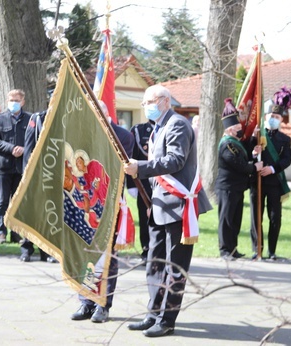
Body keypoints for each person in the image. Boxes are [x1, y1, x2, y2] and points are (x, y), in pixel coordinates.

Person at [123, 85, 212, 338]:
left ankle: (167, 319)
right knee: (155, 263)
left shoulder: (177, 124)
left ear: (163, 101)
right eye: (143, 103)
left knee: (174, 266)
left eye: (148, 102)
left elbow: (175, 161)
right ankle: (153, 314)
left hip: (178, 206)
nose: (145, 107)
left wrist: (139, 167)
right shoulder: (159, 127)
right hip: (160, 205)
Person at [71, 100, 134, 323]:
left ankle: (103, 305)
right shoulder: (82, 135)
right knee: (86, 253)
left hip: (109, 206)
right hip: (86, 205)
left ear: (104, 114)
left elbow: (117, 166)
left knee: (107, 257)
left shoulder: (123, 136)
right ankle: (86, 301)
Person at [249, 89, 291, 260]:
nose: (273, 119)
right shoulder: (257, 135)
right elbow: (247, 155)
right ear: (265, 116)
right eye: (271, 116)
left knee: (275, 218)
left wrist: (273, 169)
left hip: (275, 182)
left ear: (281, 120)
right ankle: (257, 250)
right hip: (257, 181)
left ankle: (272, 251)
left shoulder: (285, 139)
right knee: (256, 217)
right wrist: (254, 153)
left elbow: (287, 159)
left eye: (277, 117)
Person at [215, 98, 263, 261]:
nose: (240, 129)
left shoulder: (236, 142)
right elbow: (238, 164)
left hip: (236, 187)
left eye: (239, 126)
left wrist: (253, 145)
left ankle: (233, 248)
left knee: (235, 220)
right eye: (236, 127)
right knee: (226, 220)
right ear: (229, 130)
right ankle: (224, 250)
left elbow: (244, 155)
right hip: (227, 187)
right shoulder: (227, 144)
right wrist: (254, 167)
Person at [0, 89, 31, 245]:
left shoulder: (30, 119)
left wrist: (24, 150)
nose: (14, 103)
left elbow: (36, 140)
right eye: (11, 100)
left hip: (22, 167)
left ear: (23, 101)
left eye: (17, 100)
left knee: (18, 202)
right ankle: (1, 232)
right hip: (4, 167)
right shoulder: (0, 119)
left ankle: (16, 232)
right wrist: (11, 148)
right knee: (3, 201)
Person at [19, 110, 58, 263]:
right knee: (32, 213)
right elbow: (28, 148)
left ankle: (47, 252)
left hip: (56, 176)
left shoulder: (64, 118)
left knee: (50, 214)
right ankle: (26, 249)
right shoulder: (37, 119)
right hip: (36, 175)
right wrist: (28, 176)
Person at [126, 120, 154, 263]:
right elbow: (131, 156)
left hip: (166, 184)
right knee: (145, 218)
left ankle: (161, 251)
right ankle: (147, 249)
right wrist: (131, 183)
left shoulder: (172, 127)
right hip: (143, 183)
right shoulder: (139, 130)